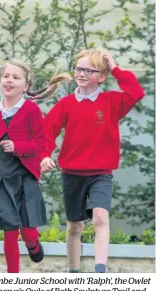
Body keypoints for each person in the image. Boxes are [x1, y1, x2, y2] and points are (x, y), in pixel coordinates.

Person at [41, 49, 145, 273]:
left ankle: (100, 272)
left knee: (100, 218)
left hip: (101, 174)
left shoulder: (112, 101)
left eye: (89, 70)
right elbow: (47, 132)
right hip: (72, 174)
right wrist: (45, 155)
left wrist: (115, 67)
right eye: (79, 68)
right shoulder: (66, 104)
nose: (82, 73)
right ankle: (74, 273)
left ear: (102, 77)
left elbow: (135, 92)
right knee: (74, 226)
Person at [0, 60, 71, 273]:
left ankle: (33, 243)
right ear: (0, 81)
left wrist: (17, 146)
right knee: (10, 229)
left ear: (25, 85)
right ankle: (12, 277)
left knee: (27, 230)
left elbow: (40, 143)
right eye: (6, 76)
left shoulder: (32, 110)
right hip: (1, 177)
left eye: (16, 77)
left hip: (24, 176)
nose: (9, 80)